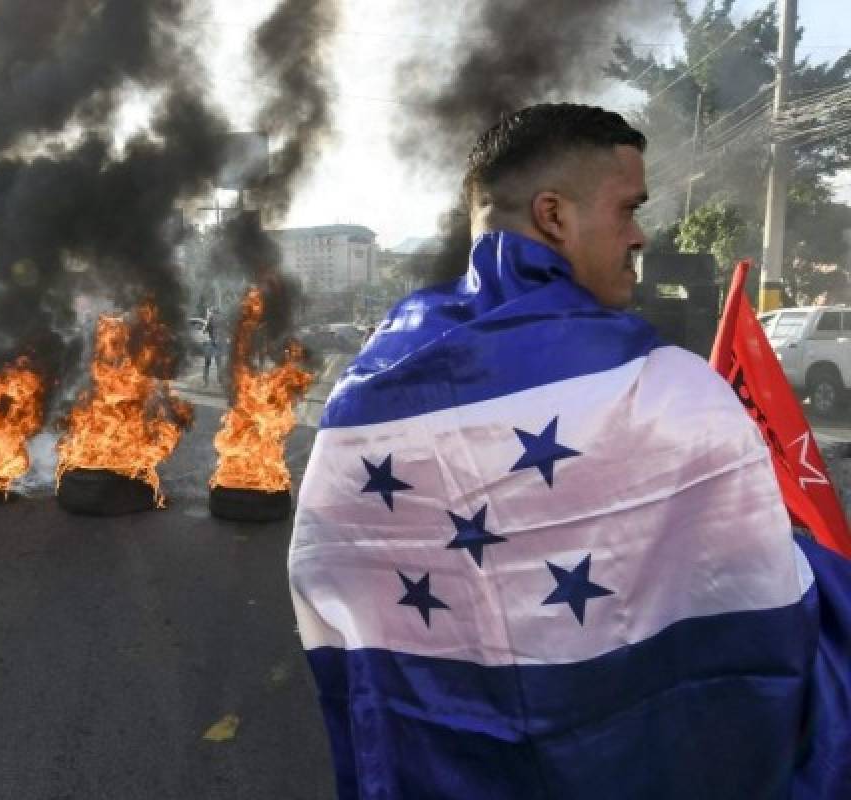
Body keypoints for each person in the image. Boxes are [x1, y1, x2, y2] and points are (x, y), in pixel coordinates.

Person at [289, 103, 851, 798]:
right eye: (628, 209)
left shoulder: (361, 400)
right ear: (554, 216)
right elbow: (759, 623)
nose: (640, 235)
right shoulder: (669, 392)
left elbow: (337, 601)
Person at [201, 307, 220, 387]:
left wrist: (207, 320)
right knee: (219, 364)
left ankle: (206, 382)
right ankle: (220, 381)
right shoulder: (220, 320)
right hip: (217, 344)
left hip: (211, 343)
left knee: (207, 364)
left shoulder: (211, 319)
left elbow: (204, 330)